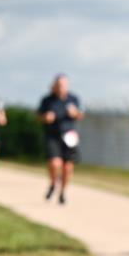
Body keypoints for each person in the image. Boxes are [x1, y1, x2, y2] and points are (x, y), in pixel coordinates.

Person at [37, 74, 83, 204]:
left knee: (67, 166)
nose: (61, 87)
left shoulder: (73, 99)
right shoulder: (47, 100)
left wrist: (75, 113)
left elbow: (80, 115)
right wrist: (45, 117)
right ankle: (53, 183)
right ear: (55, 86)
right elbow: (38, 115)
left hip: (69, 136)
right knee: (54, 163)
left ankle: (63, 192)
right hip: (52, 135)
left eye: (63, 85)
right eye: (59, 85)